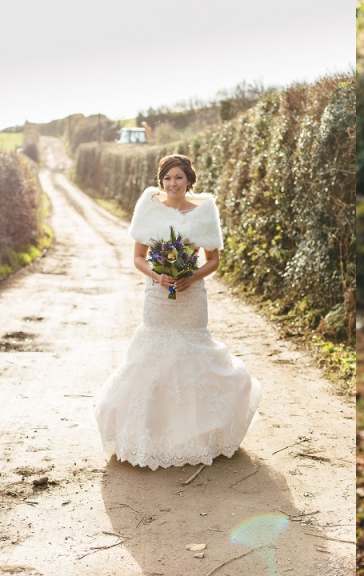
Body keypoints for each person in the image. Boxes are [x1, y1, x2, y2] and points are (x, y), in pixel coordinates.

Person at [94, 154, 261, 470]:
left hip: (191, 296)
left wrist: (191, 276)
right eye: (168, 178)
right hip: (157, 295)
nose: (173, 184)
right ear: (162, 182)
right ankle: (149, 437)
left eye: (179, 178)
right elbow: (138, 258)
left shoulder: (204, 213)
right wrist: (158, 276)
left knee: (194, 354)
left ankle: (200, 437)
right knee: (154, 356)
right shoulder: (149, 210)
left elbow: (213, 260)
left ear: (189, 181)